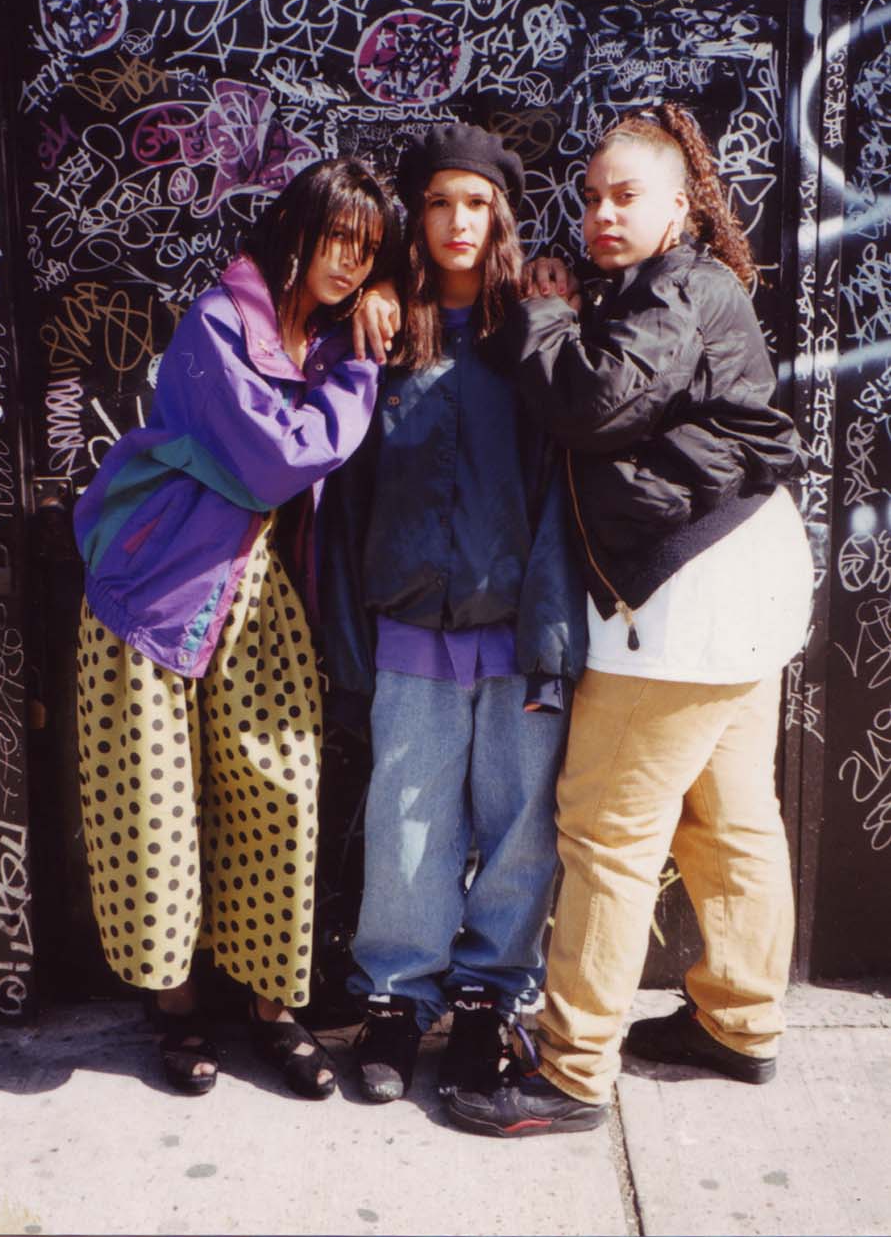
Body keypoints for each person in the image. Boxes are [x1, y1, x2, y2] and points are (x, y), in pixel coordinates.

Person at [444, 103, 813, 1138]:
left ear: (683, 203)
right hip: (741, 585)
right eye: (594, 196)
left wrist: (549, 316)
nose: (602, 213)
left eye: (627, 195)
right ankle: (740, 1021)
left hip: (685, 600)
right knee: (727, 817)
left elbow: (591, 405)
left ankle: (570, 1073)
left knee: (606, 832)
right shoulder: (668, 286)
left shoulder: (679, 288)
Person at [73, 157, 399, 1098]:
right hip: (157, 593)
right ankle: (175, 1012)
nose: (349, 263)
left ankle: (270, 1009)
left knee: (279, 793)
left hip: (256, 597)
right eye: (339, 239)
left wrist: (374, 306)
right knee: (153, 807)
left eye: (367, 250)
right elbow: (274, 461)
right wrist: (361, 372)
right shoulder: (218, 323)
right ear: (294, 231)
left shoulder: (332, 338)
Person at [324, 123, 587, 1104]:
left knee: (519, 821)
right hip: (411, 623)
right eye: (439, 203)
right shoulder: (385, 330)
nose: (458, 221)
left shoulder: (537, 331)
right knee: (407, 817)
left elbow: (566, 492)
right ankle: (396, 998)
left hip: (520, 624)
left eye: (475, 204)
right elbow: (345, 499)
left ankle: (487, 999)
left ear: (500, 215)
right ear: (416, 216)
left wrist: (557, 640)